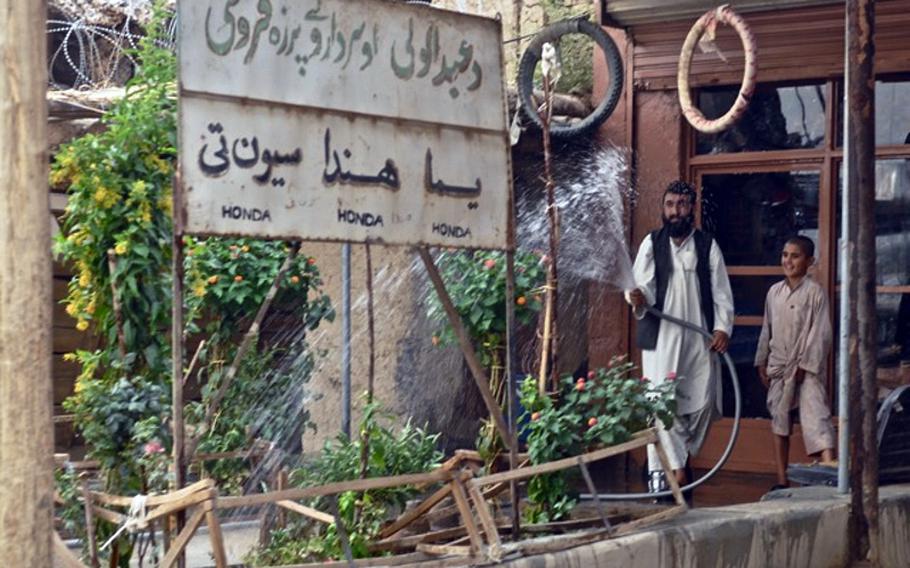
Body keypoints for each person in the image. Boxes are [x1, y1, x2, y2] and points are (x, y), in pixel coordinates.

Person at [626, 180, 735, 496]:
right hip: (661, 338)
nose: (675, 211)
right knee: (661, 403)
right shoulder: (652, 242)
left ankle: (678, 458)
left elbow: (722, 294)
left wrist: (722, 329)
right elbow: (641, 286)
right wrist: (637, 297)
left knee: (701, 403)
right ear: (664, 208)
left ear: (692, 209)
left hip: (698, 339)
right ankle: (674, 473)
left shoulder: (707, 245)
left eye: (682, 205)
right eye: (670, 204)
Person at [755, 235, 836, 489]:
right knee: (780, 422)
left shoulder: (815, 293)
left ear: (809, 261)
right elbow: (766, 329)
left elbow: (821, 332)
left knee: (816, 418)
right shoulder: (774, 293)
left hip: (806, 368)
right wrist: (762, 361)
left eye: (795, 256)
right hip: (779, 366)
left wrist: (805, 365)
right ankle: (782, 479)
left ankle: (829, 472)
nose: (788, 261)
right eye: (785, 255)